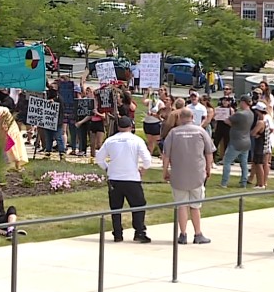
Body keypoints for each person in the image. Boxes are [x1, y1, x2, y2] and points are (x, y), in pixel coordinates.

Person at [96, 116, 153, 243]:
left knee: (116, 207)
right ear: (131, 126)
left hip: (115, 178)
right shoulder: (137, 140)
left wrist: (107, 168)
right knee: (138, 205)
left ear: (118, 127)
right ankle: (139, 231)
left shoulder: (110, 140)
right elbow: (147, 160)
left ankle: (117, 233)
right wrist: (143, 169)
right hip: (132, 177)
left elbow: (99, 158)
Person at [162, 108, 214, 245]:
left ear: (179, 117)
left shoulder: (173, 133)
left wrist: (165, 171)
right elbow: (209, 152)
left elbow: (166, 154)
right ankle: (198, 234)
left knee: (181, 205)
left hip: (178, 174)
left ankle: (183, 234)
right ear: (192, 117)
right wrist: (208, 169)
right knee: (195, 206)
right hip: (197, 174)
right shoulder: (201, 131)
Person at [220, 95, 255, 188]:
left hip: (236, 141)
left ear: (243, 102)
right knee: (243, 164)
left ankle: (224, 183)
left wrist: (232, 113)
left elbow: (227, 121)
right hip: (246, 141)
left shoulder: (240, 114)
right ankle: (243, 182)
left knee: (227, 161)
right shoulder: (251, 113)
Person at [142, 89, 166, 154]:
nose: (154, 96)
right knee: (150, 142)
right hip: (147, 123)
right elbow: (143, 101)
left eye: (156, 95)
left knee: (158, 143)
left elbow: (161, 116)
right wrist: (147, 92)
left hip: (155, 124)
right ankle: (149, 157)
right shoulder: (150, 102)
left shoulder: (160, 103)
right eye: (153, 95)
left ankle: (163, 156)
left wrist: (152, 114)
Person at [250, 102, 268, 188]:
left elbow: (253, 133)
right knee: (257, 163)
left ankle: (261, 184)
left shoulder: (261, 122)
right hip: (262, 145)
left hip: (260, 146)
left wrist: (254, 133)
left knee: (259, 164)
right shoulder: (266, 120)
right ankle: (259, 182)